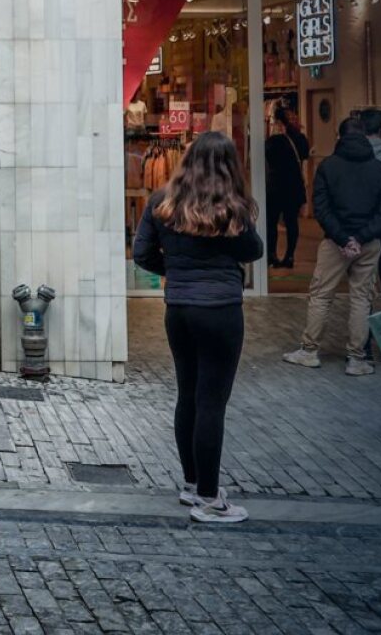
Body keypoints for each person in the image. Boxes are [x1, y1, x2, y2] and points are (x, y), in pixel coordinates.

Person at [132, 131, 264, 523]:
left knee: (187, 395)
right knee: (212, 402)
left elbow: (141, 254)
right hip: (221, 310)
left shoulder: (162, 203)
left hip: (179, 310)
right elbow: (254, 250)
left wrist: (173, 269)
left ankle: (191, 484)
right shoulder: (232, 208)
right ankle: (210, 497)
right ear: (229, 165)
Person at [283, 118, 381, 376]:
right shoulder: (380, 170)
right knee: (361, 299)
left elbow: (321, 208)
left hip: (335, 242)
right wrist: (362, 237)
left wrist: (343, 238)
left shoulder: (328, 167)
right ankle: (357, 358)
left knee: (321, 295)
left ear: (339, 136)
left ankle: (310, 350)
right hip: (369, 243)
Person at [264, 108, 310, 268]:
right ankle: (289, 255)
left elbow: (267, 156)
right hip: (293, 185)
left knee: (271, 222)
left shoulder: (273, 140)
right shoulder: (300, 138)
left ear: (277, 122)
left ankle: (272, 255)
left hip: (275, 186)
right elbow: (305, 155)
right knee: (291, 222)